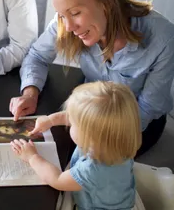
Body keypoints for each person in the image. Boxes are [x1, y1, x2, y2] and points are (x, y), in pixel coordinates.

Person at [10, 0, 174, 155]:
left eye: (75, 13)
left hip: (136, 123)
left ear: (106, 2)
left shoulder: (163, 36)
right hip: (91, 108)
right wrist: (30, 93)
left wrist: (89, 129)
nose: (70, 27)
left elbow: (148, 108)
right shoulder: (66, 23)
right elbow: (37, 55)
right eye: (62, 15)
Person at [11, 81, 145, 210]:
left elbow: (57, 180)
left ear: (89, 136)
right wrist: (50, 120)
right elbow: (74, 116)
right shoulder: (115, 140)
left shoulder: (92, 169)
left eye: (73, 123)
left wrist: (32, 157)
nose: (69, 121)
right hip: (119, 196)